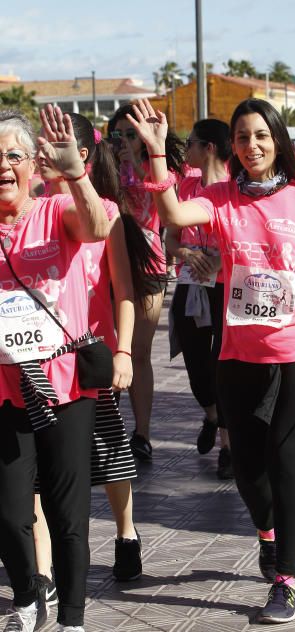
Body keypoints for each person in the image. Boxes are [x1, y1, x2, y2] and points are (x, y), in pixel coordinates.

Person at [128, 96, 295, 624]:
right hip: (239, 353)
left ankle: (287, 579)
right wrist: (159, 154)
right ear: (234, 146)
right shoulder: (220, 197)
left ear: (278, 141)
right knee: (249, 472)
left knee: (285, 461)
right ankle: (268, 535)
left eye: (262, 136)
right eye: (244, 137)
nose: (253, 146)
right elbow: (176, 215)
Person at [0, 106, 111, 632]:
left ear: (33, 166)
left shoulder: (56, 211)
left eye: (13, 155)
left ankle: (73, 626)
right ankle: (26, 604)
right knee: (8, 511)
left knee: (68, 515)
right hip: (3, 387)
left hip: (63, 385)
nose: (3, 166)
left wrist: (76, 174)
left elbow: (96, 227)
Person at [34, 112, 143, 584]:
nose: (40, 155)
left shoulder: (108, 214)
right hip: (37, 359)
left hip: (92, 355)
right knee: (38, 467)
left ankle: (126, 534)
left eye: (51, 145)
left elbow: (124, 291)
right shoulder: (28, 211)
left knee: (108, 451)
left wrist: (124, 354)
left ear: (80, 154)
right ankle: (43, 572)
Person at [107, 104, 184, 461]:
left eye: (131, 132)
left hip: (149, 263)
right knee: (109, 350)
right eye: (118, 133)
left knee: (138, 352)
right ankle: (107, 429)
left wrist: (137, 161)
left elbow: (161, 199)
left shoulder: (156, 162)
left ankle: (142, 432)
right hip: (107, 262)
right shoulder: (103, 164)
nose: (124, 139)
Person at [166, 118, 233, 479]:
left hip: (224, 287)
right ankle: (211, 415)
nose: (186, 148)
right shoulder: (187, 186)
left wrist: (222, 258)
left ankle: (228, 444)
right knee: (195, 363)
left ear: (209, 148)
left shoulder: (235, 189)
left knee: (222, 363)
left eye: (191, 142)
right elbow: (170, 240)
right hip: (192, 284)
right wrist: (188, 255)